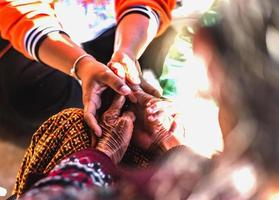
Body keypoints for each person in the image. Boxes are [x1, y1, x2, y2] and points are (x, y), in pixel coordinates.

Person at [0, 0, 177, 136]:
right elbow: (18, 10)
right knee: (35, 92)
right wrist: (81, 65)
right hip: (43, 30)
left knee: (167, 48)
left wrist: (127, 51)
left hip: (117, 24)